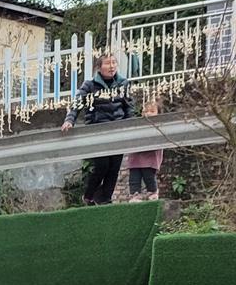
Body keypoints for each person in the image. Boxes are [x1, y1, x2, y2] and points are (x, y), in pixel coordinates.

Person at [60, 52, 132, 205]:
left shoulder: (123, 83)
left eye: (113, 62)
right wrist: (69, 120)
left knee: (114, 167)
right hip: (97, 131)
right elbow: (77, 104)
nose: (111, 66)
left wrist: (130, 126)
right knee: (102, 165)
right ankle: (89, 195)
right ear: (99, 67)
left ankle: (105, 199)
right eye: (107, 63)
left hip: (118, 131)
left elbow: (129, 108)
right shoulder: (90, 85)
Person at [125, 97, 163, 201]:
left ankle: (153, 192)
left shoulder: (160, 125)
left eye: (152, 111)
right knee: (134, 177)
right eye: (146, 111)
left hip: (150, 156)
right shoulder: (138, 124)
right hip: (136, 155)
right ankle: (134, 195)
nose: (148, 114)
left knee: (148, 175)